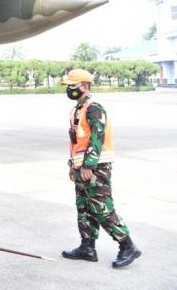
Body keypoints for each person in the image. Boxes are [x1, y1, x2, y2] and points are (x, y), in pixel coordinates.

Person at [60, 68, 141, 268]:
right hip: (81, 167)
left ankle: (127, 245)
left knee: (101, 207)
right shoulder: (77, 109)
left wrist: (89, 165)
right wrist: (74, 165)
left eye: (73, 86)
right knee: (84, 208)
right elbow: (77, 141)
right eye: (68, 86)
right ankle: (87, 247)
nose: (69, 90)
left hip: (96, 167)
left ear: (85, 87)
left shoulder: (94, 107)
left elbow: (98, 137)